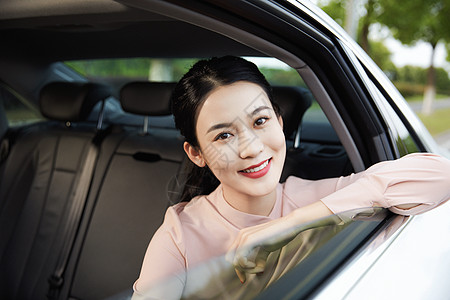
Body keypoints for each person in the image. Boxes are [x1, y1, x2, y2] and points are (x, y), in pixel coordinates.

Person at [132, 56, 450, 299]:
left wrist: (292, 223)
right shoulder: (181, 233)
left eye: (260, 121)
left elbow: (441, 174)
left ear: (280, 122)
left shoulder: (313, 198)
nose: (251, 148)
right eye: (224, 135)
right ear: (196, 153)